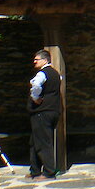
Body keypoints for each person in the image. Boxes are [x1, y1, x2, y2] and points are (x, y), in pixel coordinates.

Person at [28, 49, 61, 180]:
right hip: (52, 110)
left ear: (45, 60)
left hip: (42, 112)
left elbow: (36, 85)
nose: (34, 62)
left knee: (43, 142)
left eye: (37, 59)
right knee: (35, 141)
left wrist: (35, 97)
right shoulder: (56, 74)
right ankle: (35, 170)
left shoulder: (42, 73)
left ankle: (49, 172)